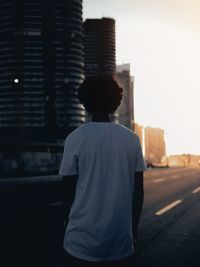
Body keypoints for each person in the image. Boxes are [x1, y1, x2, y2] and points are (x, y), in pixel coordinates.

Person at [59, 75, 146, 267]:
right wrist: (134, 229)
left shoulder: (75, 139)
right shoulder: (132, 140)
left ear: (84, 103)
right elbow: (138, 192)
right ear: (115, 101)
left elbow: (67, 191)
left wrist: (66, 223)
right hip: (120, 241)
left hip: (79, 241)